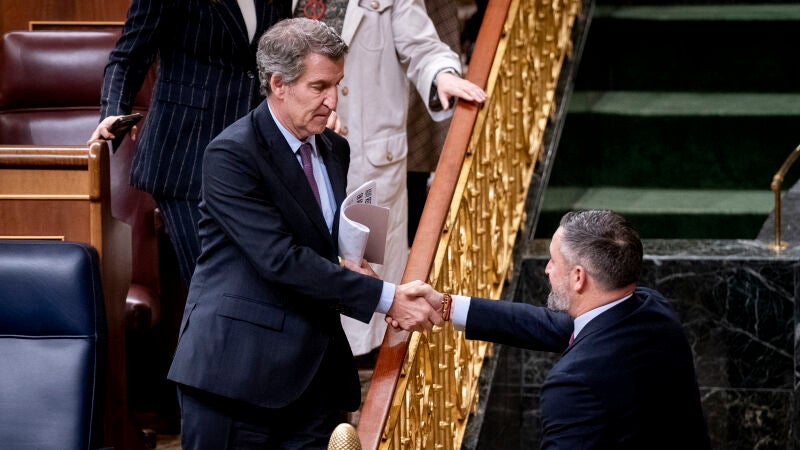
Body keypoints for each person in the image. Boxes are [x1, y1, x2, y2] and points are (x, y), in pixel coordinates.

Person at [166, 18, 443, 449]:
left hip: (315, 379)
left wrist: (358, 261)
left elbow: (325, 237)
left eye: (337, 84)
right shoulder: (231, 154)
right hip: (238, 381)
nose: (334, 100)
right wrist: (386, 297)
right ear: (278, 84)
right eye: (319, 87)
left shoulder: (335, 148)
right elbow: (280, 258)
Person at [403, 210, 712, 449]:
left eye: (553, 261)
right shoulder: (652, 308)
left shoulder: (574, 383)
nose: (547, 269)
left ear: (579, 277)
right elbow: (552, 325)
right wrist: (448, 306)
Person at [292, 0, 488, 356]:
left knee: (366, 272)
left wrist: (443, 74)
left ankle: (366, 376)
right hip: (300, 153)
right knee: (306, 265)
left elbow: (423, 46)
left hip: (371, 164)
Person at [88, 0, 288, 285]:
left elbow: (286, 58)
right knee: (214, 286)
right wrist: (113, 112)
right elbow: (128, 56)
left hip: (253, 155)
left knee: (253, 288)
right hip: (185, 156)